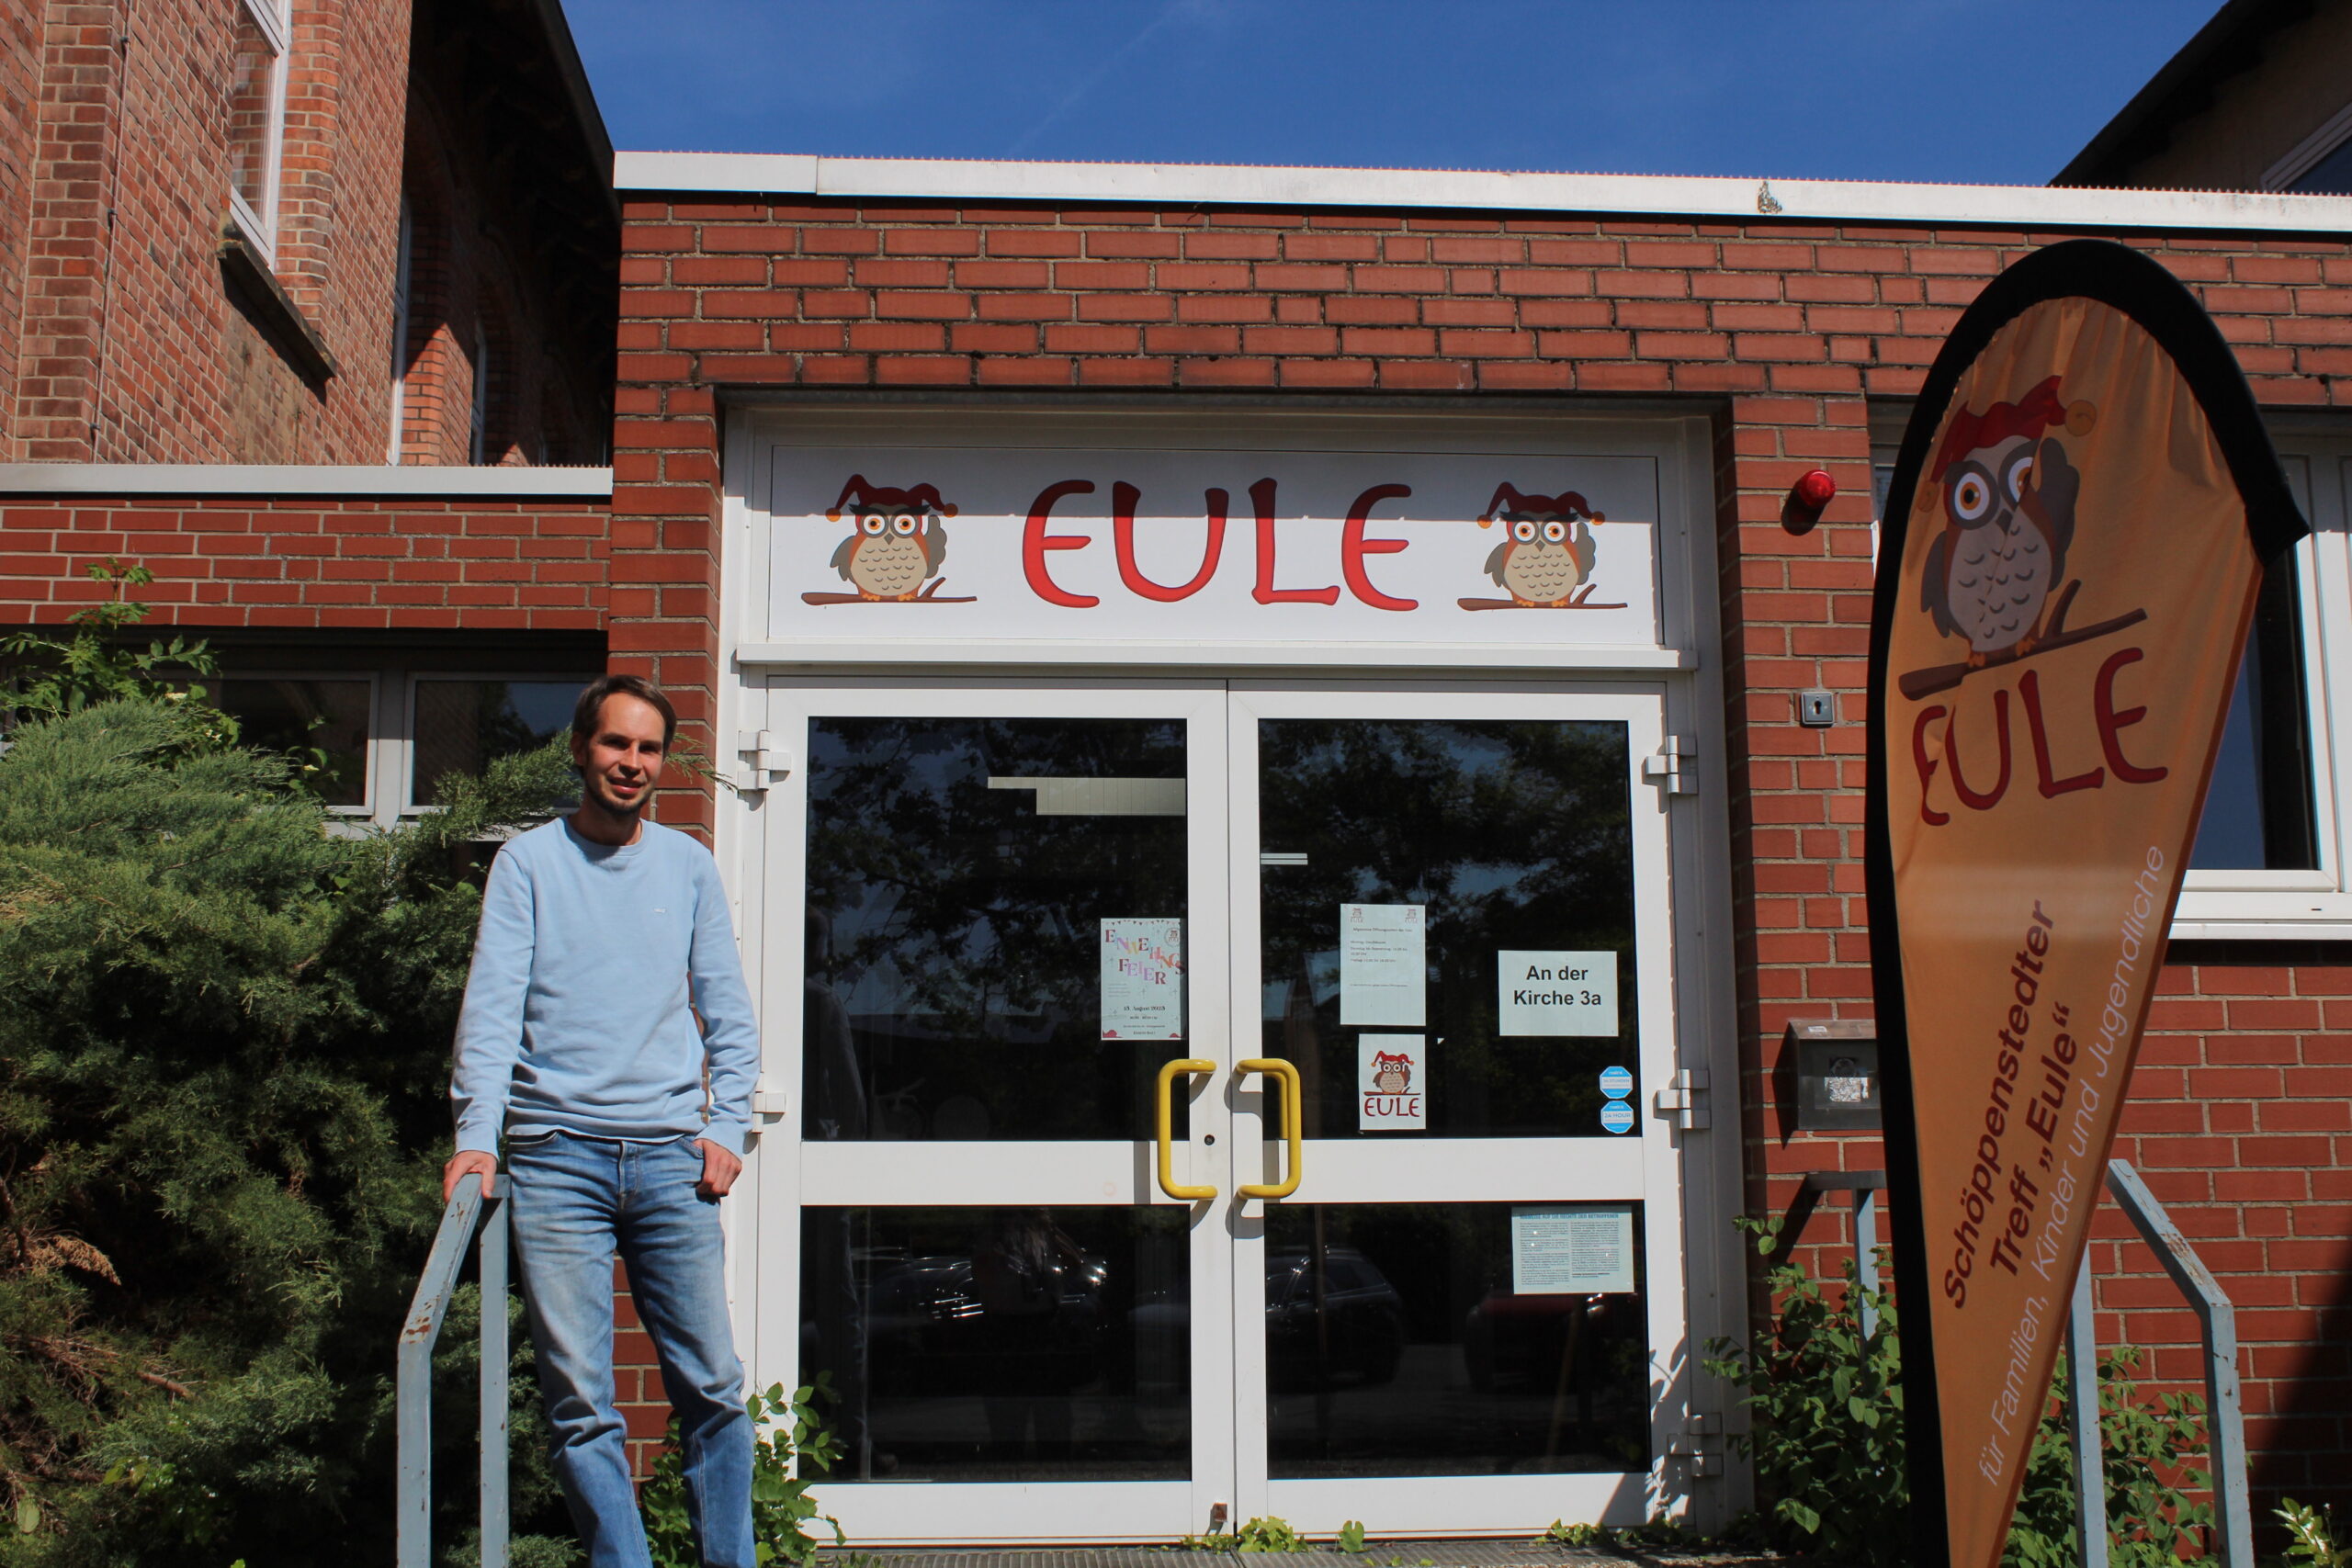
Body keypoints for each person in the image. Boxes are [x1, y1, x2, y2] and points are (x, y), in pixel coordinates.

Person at [445, 674, 761, 1568]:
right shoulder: (529, 866)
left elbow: (728, 1013)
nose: (632, 763)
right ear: (582, 749)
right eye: (616, 744)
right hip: (555, 1161)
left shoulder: (687, 865)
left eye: (648, 748)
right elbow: (492, 1013)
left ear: (662, 761)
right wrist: (476, 1138)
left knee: (714, 1389)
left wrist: (725, 1126)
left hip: (670, 1160)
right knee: (582, 1399)